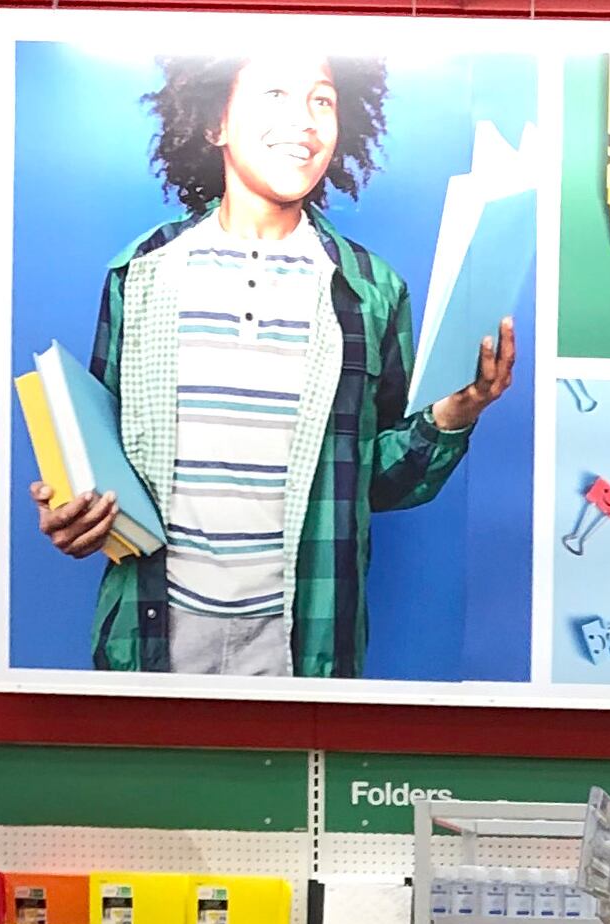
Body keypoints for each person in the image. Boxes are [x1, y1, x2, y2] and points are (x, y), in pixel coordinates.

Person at [37, 51, 520, 676]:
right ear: (215, 123)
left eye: (322, 100)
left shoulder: (371, 290)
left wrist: (459, 410)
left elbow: (376, 483)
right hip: (152, 633)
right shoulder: (141, 273)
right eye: (275, 96)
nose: (305, 121)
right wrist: (74, 511)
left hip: (306, 641)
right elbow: (97, 458)